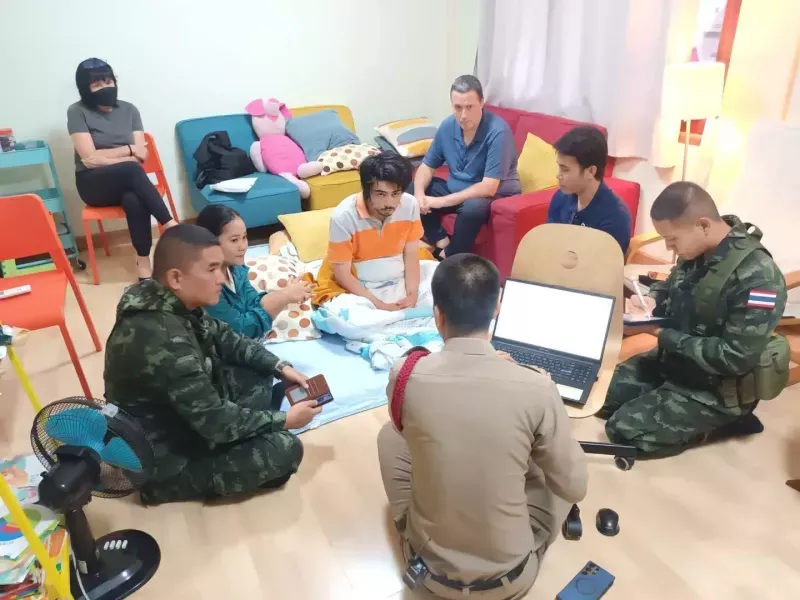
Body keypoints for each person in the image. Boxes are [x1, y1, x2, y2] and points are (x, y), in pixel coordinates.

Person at [377, 254, 588, 599]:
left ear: (437, 315)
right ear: (497, 309)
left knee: (390, 436)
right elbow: (575, 487)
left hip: (431, 573)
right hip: (510, 579)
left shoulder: (404, 374)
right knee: (547, 460)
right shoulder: (536, 387)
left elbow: (407, 430)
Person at [104, 225, 322, 505]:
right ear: (176, 278)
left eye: (221, 268)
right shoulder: (164, 338)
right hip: (165, 454)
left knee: (259, 369)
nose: (221, 278)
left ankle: (250, 426)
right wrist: (285, 421)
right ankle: (164, 487)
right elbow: (215, 421)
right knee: (286, 449)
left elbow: (227, 338)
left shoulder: (165, 298)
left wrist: (280, 366)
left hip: (183, 416)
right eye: (211, 269)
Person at [599, 182, 788, 456]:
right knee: (598, 396)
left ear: (703, 225)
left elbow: (735, 358)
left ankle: (729, 422)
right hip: (674, 363)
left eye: (672, 239)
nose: (669, 247)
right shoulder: (697, 251)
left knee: (624, 431)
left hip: (716, 388)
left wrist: (660, 333)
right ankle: (664, 401)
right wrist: (652, 299)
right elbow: (671, 285)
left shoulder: (758, 278)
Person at [67, 58, 177, 280]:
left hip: (128, 180)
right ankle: (171, 225)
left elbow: (142, 154)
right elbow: (89, 159)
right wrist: (128, 150)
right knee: (131, 170)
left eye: (108, 82)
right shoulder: (77, 111)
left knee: (134, 199)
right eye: (97, 85)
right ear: (85, 89)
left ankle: (143, 262)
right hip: (93, 183)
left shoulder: (129, 110)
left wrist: (108, 156)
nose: (105, 88)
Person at [412, 75, 520, 259]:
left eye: (470, 107)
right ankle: (440, 240)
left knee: (473, 207)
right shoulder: (448, 126)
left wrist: (438, 202)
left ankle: (451, 256)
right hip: (457, 190)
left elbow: (488, 187)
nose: (463, 115)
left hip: (492, 195)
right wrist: (419, 196)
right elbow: (427, 167)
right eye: (458, 107)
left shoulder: (498, 132)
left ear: (482, 103)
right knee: (411, 187)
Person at [313, 152, 431, 309]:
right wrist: (380, 306)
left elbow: (411, 253)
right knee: (348, 313)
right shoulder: (343, 217)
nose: (389, 203)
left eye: (396, 193)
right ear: (367, 191)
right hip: (357, 277)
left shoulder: (410, 205)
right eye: (381, 194)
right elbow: (342, 275)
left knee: (445, 289)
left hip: (397, 269)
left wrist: (412, 294)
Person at [195, 205, 312, 338]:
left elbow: (252, 301)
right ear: (210, 243)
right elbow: (240, 331)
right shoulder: (207, 288)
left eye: (244, 237)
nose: (243, 246)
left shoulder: (237, 269)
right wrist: (284, 297)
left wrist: (286, 294)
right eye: (234, 240)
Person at [547, 126, 632, 254]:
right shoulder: (560, 198)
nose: (558, 175)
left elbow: (605, 264)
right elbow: (549, 244)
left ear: (591, 171)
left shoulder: (615, 217)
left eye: (565, 170)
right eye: (559, 168)